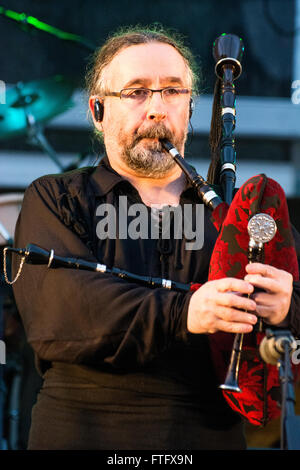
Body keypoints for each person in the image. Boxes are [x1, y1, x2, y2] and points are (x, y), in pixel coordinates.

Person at [11, 26, 300, 450]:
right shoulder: (55, 199)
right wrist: (188, 312)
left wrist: (286, 309)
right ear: (97, 110)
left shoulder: (239, 219)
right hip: (83, 435)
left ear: (190, 108)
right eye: (137, 92)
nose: (157, 108)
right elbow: (62, 316)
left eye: (173, 91)